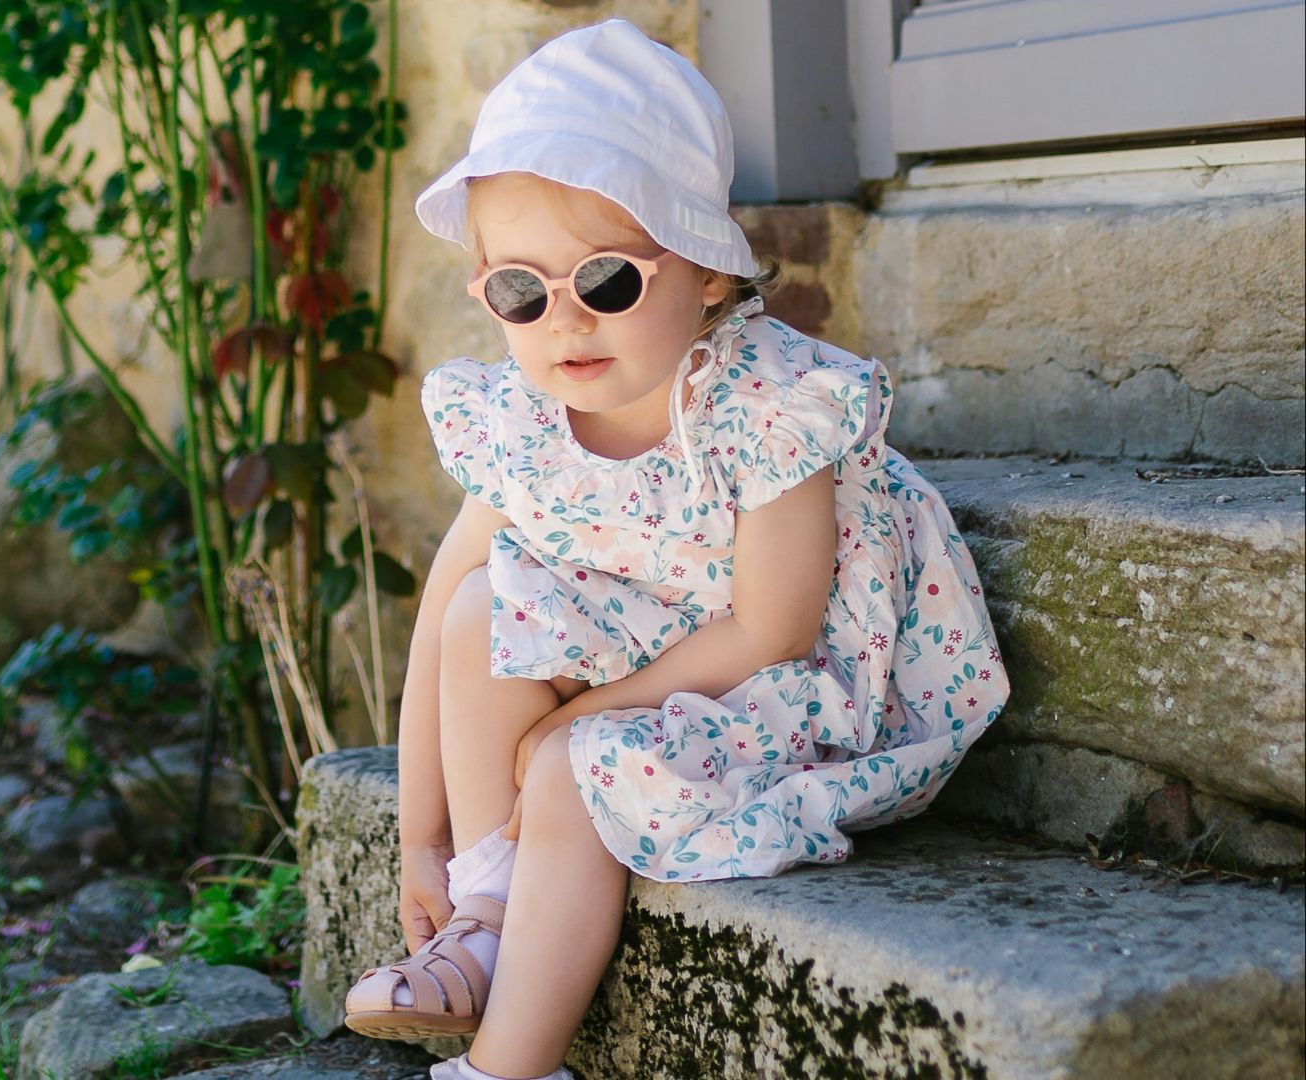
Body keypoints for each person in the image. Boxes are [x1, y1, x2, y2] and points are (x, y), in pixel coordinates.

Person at [339, 19, 1009, 1080]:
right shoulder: (524, 417)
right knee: (481, 612)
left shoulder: (763, 406)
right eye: (520, 290)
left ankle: (508, 1065)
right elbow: (444, 604)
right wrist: (418, 839)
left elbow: (772, 627)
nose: (566, 323)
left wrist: (564, 721)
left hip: (797, 677)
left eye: (606, 281)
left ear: (704, 273)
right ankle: (486, 910)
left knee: (569, 770)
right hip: (657, 644)